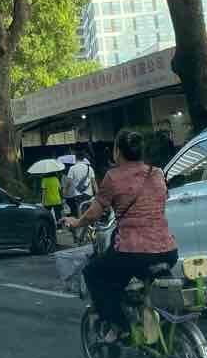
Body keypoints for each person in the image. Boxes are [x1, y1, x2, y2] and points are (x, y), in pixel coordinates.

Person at [63, 129, 177, 344]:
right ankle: (147, 322)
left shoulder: (113, 176)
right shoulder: (157, 173)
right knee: (125, 275)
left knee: (94, 273)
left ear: (118, 151)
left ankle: (119, 325)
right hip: (168, 250)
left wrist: (76, 222)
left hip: (133, 252)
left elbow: (94, 213)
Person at [63, 150, 95, 218]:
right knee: (88, 210)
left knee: (80, 209)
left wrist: (64, 193)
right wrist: (97, 194)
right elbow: (94, 183)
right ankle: (89, 222)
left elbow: (69, 182)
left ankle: (81, 222)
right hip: (89, 194)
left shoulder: (72, 168)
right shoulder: (90, 168)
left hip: (78, 194)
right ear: (83, 158)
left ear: (75, 158)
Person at [40, 170, 64, 235]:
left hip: (48, 200)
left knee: (47, 215)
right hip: (57, 199)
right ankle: (59, 228)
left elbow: (43, 192)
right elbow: (59, 189)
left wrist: (42, 201)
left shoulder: (44, 180)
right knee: (58, 215)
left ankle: (48, 227)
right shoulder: (56, 179)